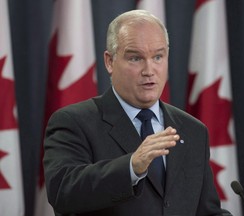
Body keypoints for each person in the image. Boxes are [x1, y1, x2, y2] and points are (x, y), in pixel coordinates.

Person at [44, 9, 232, 216]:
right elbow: (63, 192)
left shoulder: (192, 130)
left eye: (158, 56)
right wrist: (132, 167)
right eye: (135, 58)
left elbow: (206, 211)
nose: (149, 70)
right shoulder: (74, 122)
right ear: (109, 61)